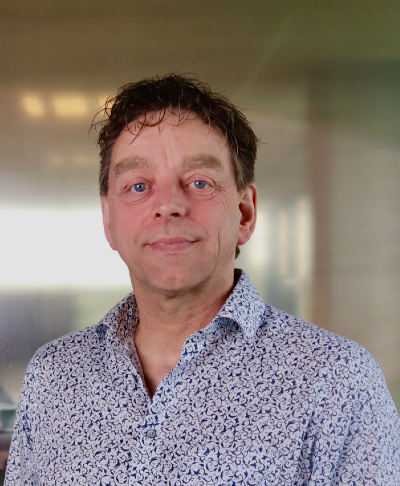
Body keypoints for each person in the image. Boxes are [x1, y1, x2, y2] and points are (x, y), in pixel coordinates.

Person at [5, 74, 400, 485]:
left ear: (245, 213)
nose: (168, 205)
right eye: (138, 186)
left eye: (199, 182)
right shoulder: (52, 376)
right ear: (108, 220)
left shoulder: (338, 381)